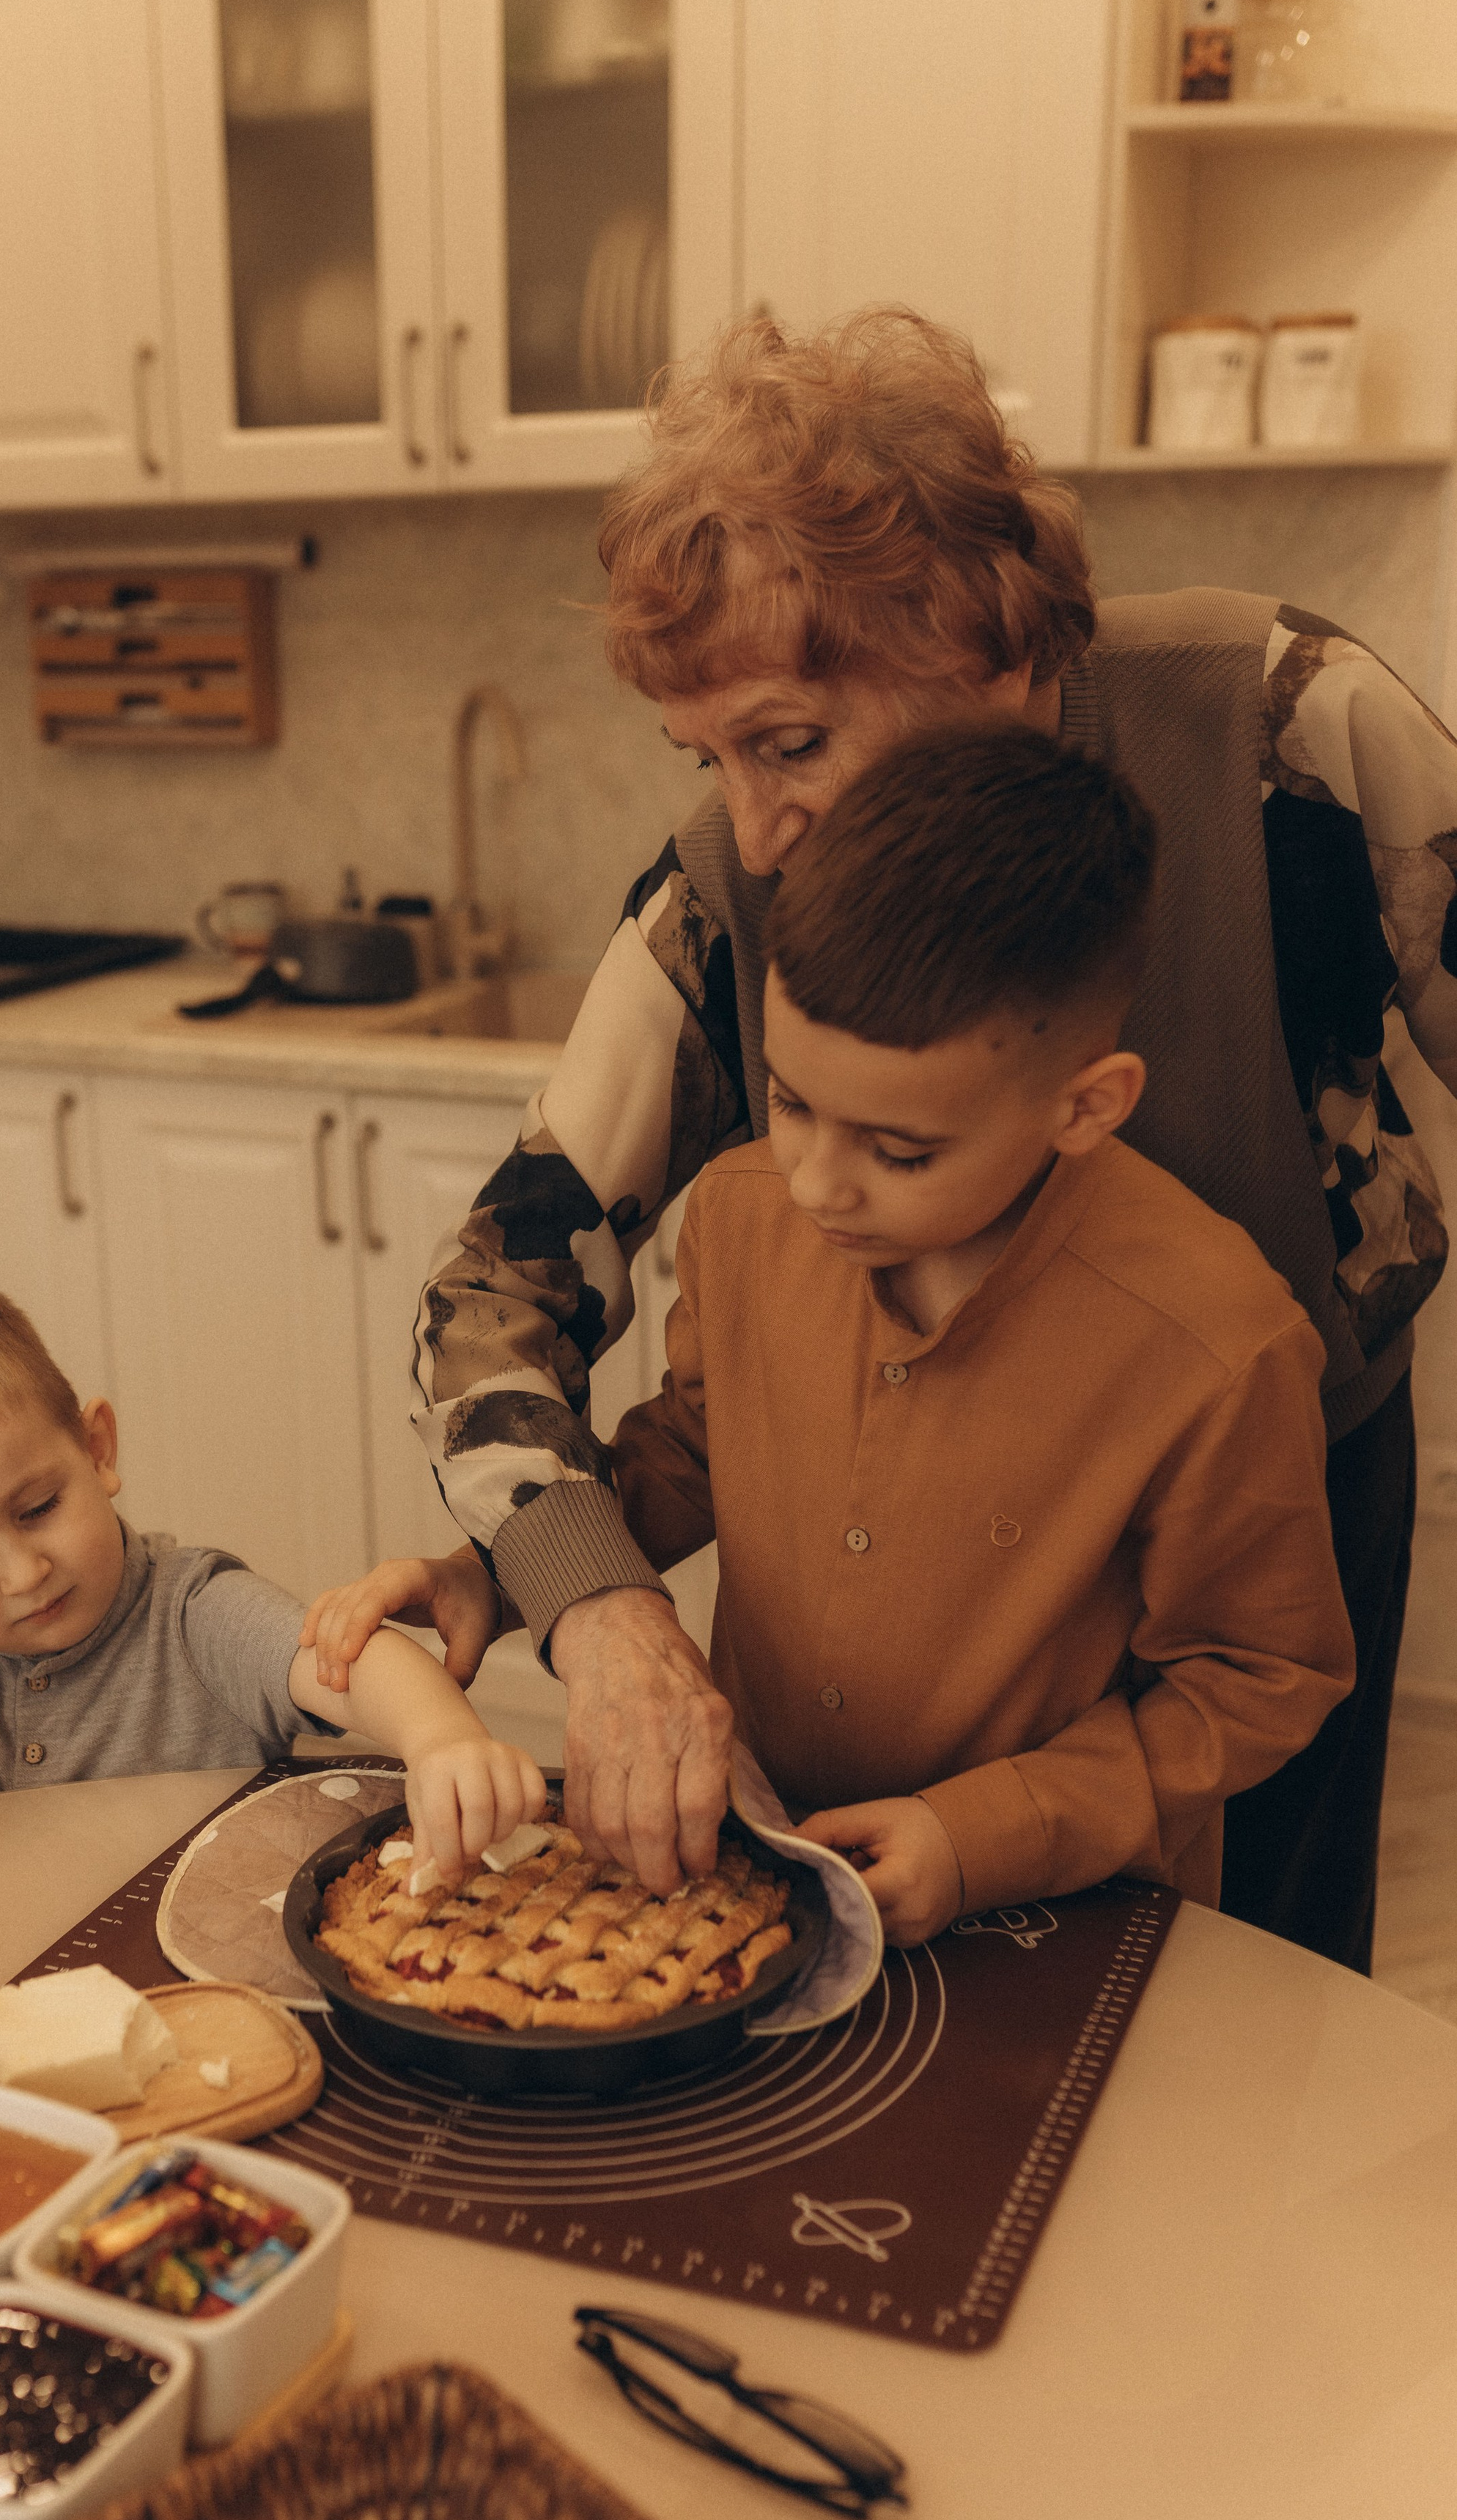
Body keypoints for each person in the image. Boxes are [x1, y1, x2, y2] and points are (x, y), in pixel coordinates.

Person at [309, 307, 1456, 1970]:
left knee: (1248, 1991)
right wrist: (599, 1600)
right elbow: (493, 1288)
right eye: (704, 756)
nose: (753, 828)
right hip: (905, 1516)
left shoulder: (1284, 730)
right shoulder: (724, 883)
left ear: (983, 639)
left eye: (789, 739)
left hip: (1262, 1488)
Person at [317, 725, 1356, 1937]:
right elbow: (697, 1451)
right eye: (796, 1105)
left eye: (900, 1151)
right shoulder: (748, 1213)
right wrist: (499, 1575)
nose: (817, 1182)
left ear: (1086, 1105)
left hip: (1052, 1922)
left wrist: (985, 1834)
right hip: (757, 1861)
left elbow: (1258, 1678)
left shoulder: (1219, 1342)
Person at [0, 1274, 543, 2001]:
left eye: (38, 1509)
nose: (23, 1573)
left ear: (97, 1450)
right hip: (36, 1975)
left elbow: (346, 1657)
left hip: (216, 1975)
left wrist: (439, 1739)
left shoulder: (193, 1610)